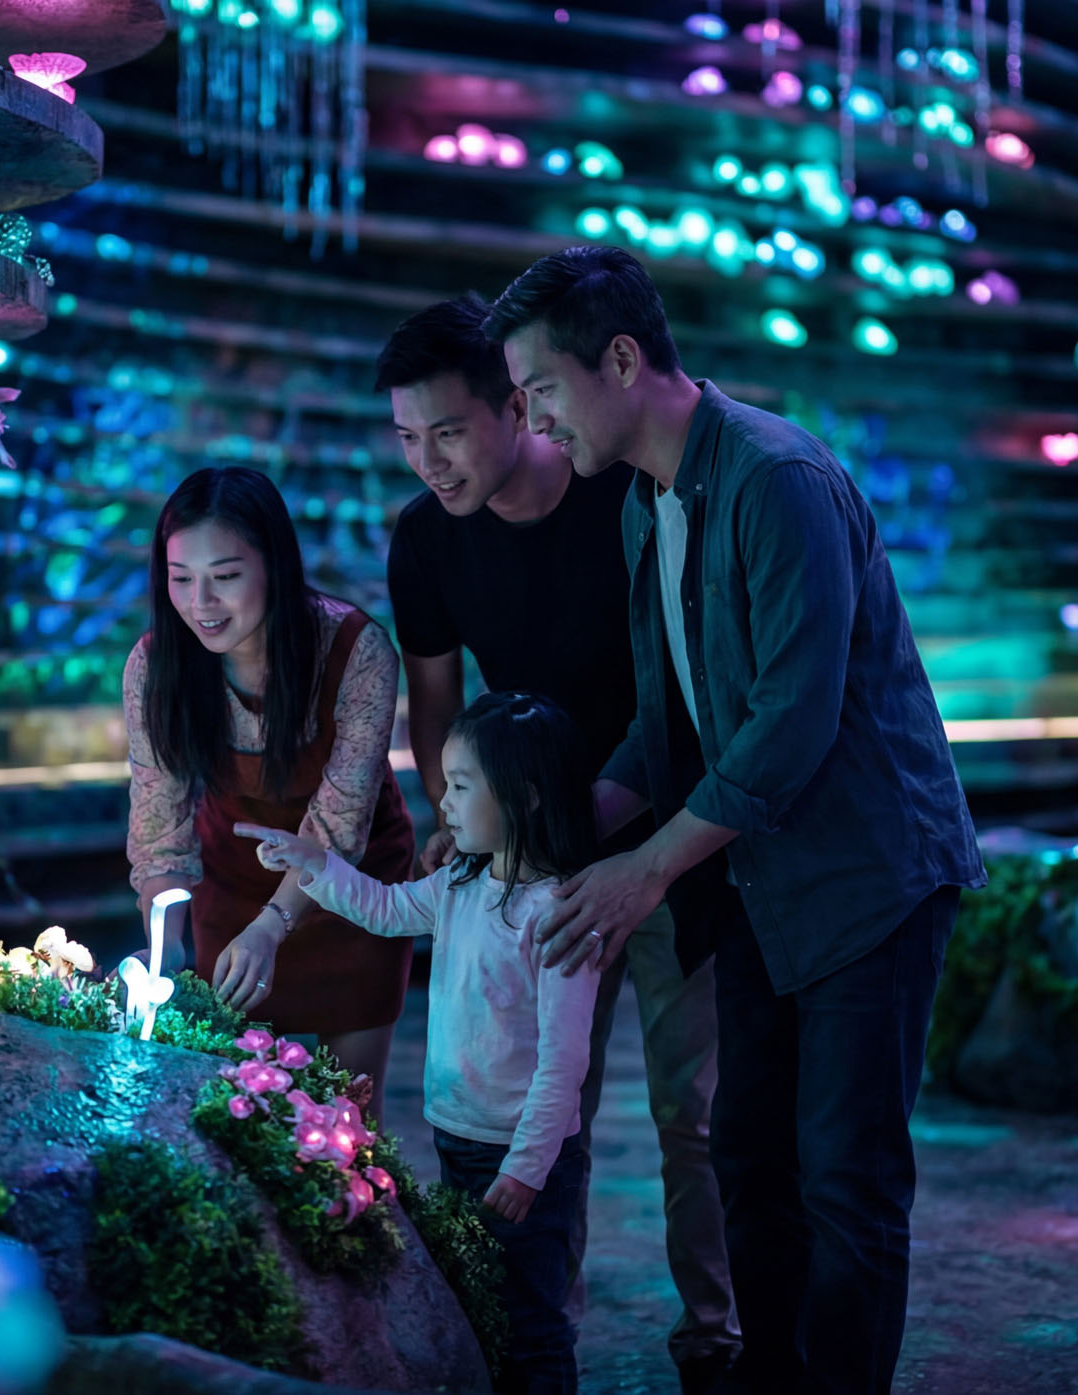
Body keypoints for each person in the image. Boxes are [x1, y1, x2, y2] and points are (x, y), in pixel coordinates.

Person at [484, 246, 986, 1395]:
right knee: (750, 1163)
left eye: (543, 388)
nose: (535, 418)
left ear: (621, 360)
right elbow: (669, 728)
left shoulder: (774, 478)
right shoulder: (645, 505)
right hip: (761, 880)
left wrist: (645, 873)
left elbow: (789, 726)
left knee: (845, 1180)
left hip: (868, 878)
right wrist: (554, 836)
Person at [377, 295, 739, 1391]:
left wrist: (603, 834)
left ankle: (715, 1338)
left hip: (662, 838)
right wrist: (457, 823)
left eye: (446, 431)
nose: (427, 461)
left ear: (516, 406)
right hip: (526, 863)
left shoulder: (618, 498)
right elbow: (436, 703)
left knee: (694, 1110)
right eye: (405, 438)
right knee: (536, 1114)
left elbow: (684, 690)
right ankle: (533, 1340)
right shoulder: (425, 540)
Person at [238, 691, 602, 1395]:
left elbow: (564, 1062)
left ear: (524, 797)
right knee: (481, 1296)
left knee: (532, 1317)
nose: (447, 803)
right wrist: (313, 863)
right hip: (458, 1136)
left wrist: (527, 1167)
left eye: (462, 786)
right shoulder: (461, 883)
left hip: (525, 1157)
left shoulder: (556, 915)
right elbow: (385, 908)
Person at [124, 466, 419, 1123]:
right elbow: (158, 823)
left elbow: (339, 822)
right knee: (240, 1117)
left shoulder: (355, 652)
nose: (202, 602)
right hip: (230, 891)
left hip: (351, 891)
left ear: (274, 566)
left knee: (345, 1129)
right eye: (181, 578)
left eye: (225, 576)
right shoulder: (156, 665)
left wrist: (277, 923)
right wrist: (165, 941)